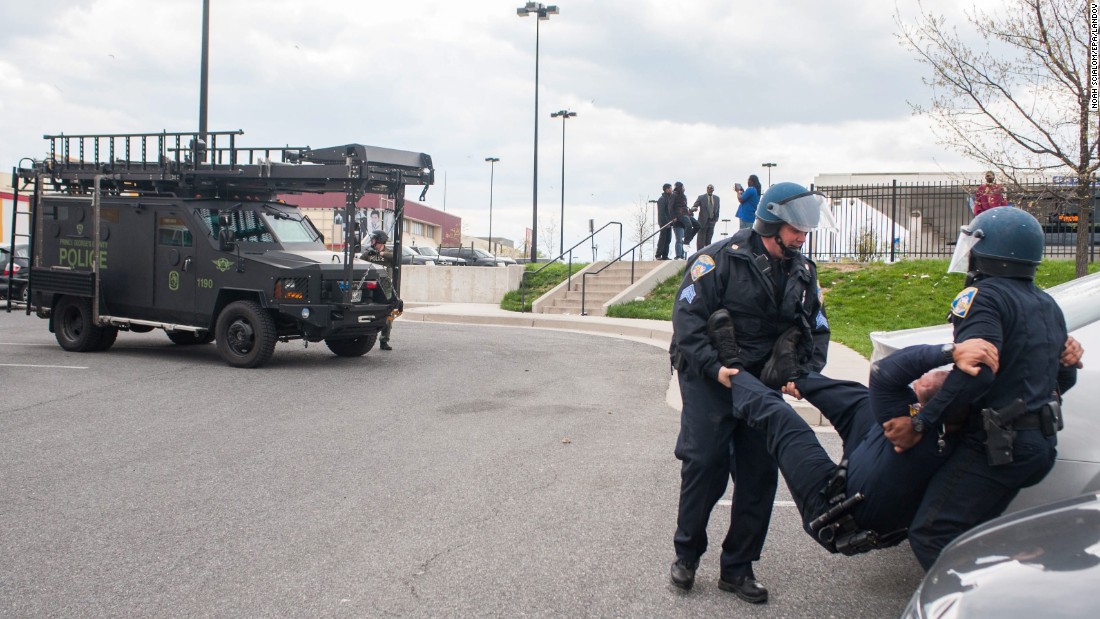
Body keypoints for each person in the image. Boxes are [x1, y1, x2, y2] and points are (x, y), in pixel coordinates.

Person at [886, 206, 1081, 570]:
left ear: (988, 252)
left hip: (1000, 445)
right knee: (974, 535)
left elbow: (979, 371)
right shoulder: (1046, 303)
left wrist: (920, 423)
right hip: (1039, 445)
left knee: (933, 534)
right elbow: (1060, 381)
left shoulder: (983, 297)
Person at [667, 181, 834, 604]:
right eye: (796, 229)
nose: (802, 237)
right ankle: (686, 555)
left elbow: (817, 328)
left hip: (759, 383)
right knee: (705, 466)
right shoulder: (716, 260)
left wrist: (804, 374)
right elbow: (687, 322)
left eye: (804, 231)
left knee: (760, 474)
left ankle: (738, 568)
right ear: (772, 223)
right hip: (711, 377)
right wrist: (715, 367)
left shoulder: (802, 271)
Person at [722, 334, 1003, 555]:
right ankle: (791, 374)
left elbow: (885, 371)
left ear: (937, 400)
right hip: (861, 471)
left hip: (834, 513)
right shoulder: (944, 425)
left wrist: (950, 351)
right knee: (863, 402)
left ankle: (735, 372)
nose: (926, 376)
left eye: (942, 375)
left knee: (783, 420)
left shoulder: (917, 434)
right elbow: (896, 383)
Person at [359, 229, 396, 351]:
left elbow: (398, 258)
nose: (372, 242)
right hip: (371, 285)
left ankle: (384, 340)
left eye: (374, 240)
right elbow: (359, 263)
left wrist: (382, 254)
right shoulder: (369, 254)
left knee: (388, 313)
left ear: (380, 241)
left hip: (385, 285)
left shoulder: (389, 253)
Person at [691, 184, 721, 250]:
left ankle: (708, 253)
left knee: (709, 238)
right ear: (706, 189)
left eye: (711, 188)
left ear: (713, 189)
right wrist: (693, 208)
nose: (710, 189)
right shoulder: (701, 197)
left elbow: (717, 209)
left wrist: (716, 219)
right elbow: (695, 205)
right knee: (701, 239)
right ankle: (699, 253)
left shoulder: (717, 198)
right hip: (702, 221)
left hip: (712, 221)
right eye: (708, 188)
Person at [655, 183, 674, 260]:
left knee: (668, 239)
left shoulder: (670, 199)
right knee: (662, 239)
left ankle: (665, 255)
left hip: (669, 222)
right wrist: (666, 223)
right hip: (664, 223)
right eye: (670, 188)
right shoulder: (662, 199)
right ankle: (658, 255)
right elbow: (662, 212)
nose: (671, 190)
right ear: (666, 189)